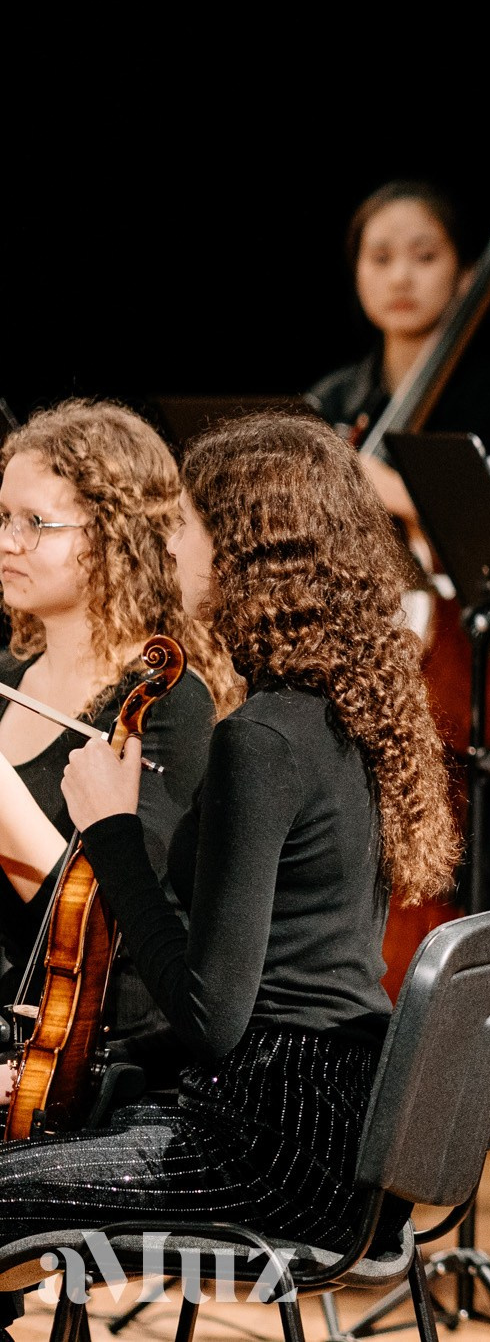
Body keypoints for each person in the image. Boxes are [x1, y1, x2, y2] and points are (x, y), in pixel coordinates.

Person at [0, 410, 461, 1256]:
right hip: (333, 1129)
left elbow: (212, 1016)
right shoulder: (331, 714)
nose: (169, 549)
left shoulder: (260, 741)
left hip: (270, 1146)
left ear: (247, 551)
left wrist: (108, 830)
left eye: (185, 528)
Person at [0, 401, 225, 1073]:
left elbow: (114, 929)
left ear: (112, 536)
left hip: (78, 1058)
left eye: (35, 523)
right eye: (3, 517)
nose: (8, 541)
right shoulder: (6, 675)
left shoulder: (168, 709)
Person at [306, 180, 490, 554]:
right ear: (356, 272)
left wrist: (402, 496)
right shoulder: (330, 400)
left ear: (466, 275)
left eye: (425, 257)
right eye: (380, 258)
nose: (400, 279)